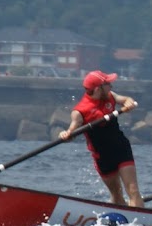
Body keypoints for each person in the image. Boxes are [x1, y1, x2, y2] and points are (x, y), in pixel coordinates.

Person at [59, 70, 142, 207]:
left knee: (133, 190)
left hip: (121, 149)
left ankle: (140, 225)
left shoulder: (110, 96)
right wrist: (65, 135)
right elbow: (70, 133)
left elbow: (127, 99)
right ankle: (123, 225)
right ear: (98, 88)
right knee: (117, 194)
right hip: (102, 156)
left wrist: (129, 103)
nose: (111, 86)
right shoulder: (80, 111)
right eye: (108, 83)